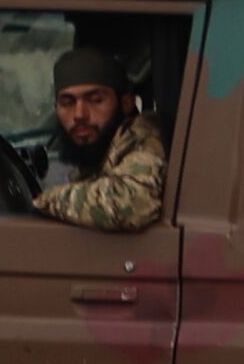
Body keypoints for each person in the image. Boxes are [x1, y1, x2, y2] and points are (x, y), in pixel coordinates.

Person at [26, 44, 170, 231]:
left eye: (95, 100)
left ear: (126, 103)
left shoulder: (145, 136)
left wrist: (44, 202)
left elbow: (131, 204)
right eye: (67, 103)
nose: (79, 114)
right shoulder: (101, 152)